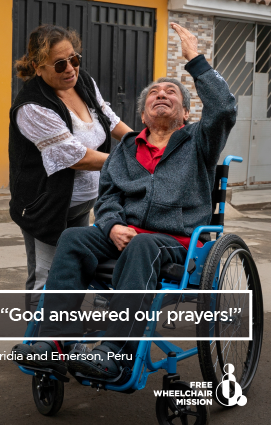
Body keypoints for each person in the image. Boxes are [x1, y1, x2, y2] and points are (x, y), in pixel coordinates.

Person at [12, 23, 237, 379]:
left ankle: (117, 350)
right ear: (143, 115)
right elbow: (109, 196)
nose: (162, 94)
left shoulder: (199, 142)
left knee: (144, 245)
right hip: (123, 234)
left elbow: (223, 108)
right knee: (73, 238)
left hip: (175, 241)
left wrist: (195, 60)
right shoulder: (128, 149)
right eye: (153, 94)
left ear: (186, 114)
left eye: (172, 93)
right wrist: (113, 224)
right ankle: (53, 342)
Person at [9, 25, 132, 311]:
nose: (71, 69)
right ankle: (39, 346)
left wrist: (143, 145)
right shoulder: (32, 106)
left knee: (77, 269)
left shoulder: (82, 82)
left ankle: (65, 339)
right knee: (46, 277)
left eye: (74, 59)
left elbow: (109, 118)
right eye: (60, 64)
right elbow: (76, 157)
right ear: (39, 68)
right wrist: (132, 161)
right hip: (47, 205)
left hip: (81, 202)